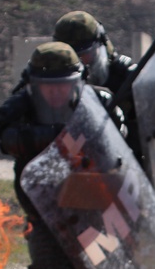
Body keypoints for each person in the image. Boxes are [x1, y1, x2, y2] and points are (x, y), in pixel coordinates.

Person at [0, 41, 126, 269]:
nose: (56, 92)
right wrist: (58, 136)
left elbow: (117, 142)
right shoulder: (20, 105)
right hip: (45, 211)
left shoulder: (100, 101)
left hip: (92, 209)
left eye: (63, 85)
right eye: (47, 86)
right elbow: (4, 136)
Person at [52, 10, 143, 164]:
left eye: (83, 54)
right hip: (71, 174)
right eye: (70, 55)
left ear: (100, 47)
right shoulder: (50, 87)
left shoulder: (126, 80)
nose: (79, 62)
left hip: (127, 173)